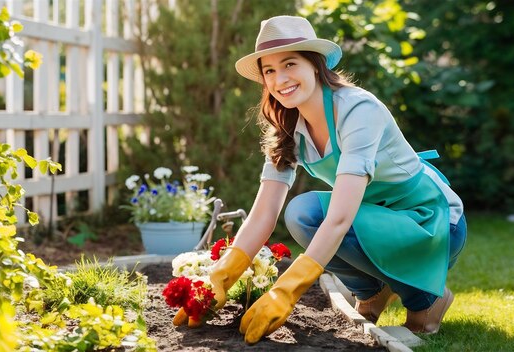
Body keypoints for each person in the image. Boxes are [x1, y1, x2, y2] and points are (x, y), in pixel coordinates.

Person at [173, 15, 467, 345]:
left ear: (315, 64)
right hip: (372, 217)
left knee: (313, 214)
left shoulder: (357, 110)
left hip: (431, 220)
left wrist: (289, 289)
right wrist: (222, 275)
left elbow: (340, 218)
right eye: (269, 71)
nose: (279, 79)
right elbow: (264, 213)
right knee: (302, 214)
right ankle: (373, 292)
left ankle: (426, 299)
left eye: (289, 64)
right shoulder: (287, 124)